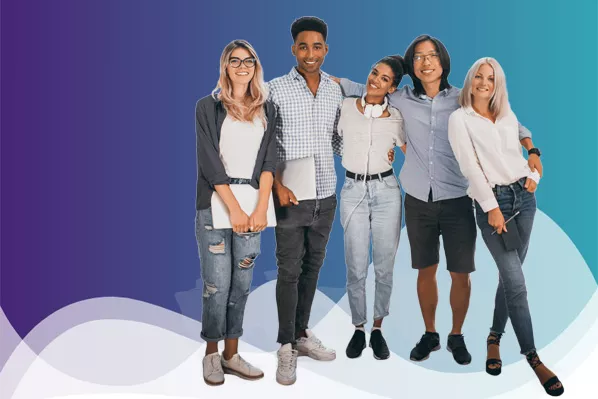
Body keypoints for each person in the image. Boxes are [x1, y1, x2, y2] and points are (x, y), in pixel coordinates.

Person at [335, 35, 543, 366]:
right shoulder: (399, 97)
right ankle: (430, 333)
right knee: (425, 269)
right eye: (418, 57)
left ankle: (456, 335)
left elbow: (511, 121)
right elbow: (358, 86)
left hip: (460, 197)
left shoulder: (464, 98)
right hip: (418, 198)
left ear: (443, 61)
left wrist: (531, 149)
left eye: (432, 56)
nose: (426, 62)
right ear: (411, 66)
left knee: (461, 273)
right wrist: (317, 77)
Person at [448, 57, 563, 396]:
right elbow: (470, 167)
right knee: (517, 283)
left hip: (524, 201)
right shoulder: (460, 119)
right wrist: (491, 207)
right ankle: (533, 357)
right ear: (470, 80)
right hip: (493, 205)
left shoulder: (506, 112)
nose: (484, 83)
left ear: (498, 84)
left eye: (491, 78)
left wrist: (534, 167)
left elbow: (521, 137)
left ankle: (493, 338)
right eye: (479, 77)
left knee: (509, 278)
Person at [194, 39, 277, 386]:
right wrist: (235, 209)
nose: (242, 66)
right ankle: (211, 355)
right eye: (235, 60)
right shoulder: (207, 107)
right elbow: (210, 163)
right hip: (217, 207)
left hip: (254, 208)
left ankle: (232, 355)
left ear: (256, 66)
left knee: (241, 285)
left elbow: (272, 160)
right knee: (217, 285)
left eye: (249, 60)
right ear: (225, 66)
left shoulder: (267, 109)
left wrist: (260, 207)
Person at [267, 16, 343, 385]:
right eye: (303, 46)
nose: (310, 54)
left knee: (313, 269)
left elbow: (338, 140)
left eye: (317, 47)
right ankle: (285, 346)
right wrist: (275, 185)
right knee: (289, 271)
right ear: (293, 49)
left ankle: (301, 333)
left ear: (326, 50)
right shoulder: (274, 89)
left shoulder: (334, 89)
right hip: (290, 196)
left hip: (326, 196)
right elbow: (260, 141)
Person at [338, 56, 406, 360]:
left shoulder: (396, 118)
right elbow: (331, 81)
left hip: (387, 191)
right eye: (374, 72)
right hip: (352, 190)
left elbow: (413, 152)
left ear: (392, 87)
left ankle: (378, 328)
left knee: (384, 264)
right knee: (355, 264)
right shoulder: (345, 109)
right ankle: (358, 327)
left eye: (384, 79)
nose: (375, 80)